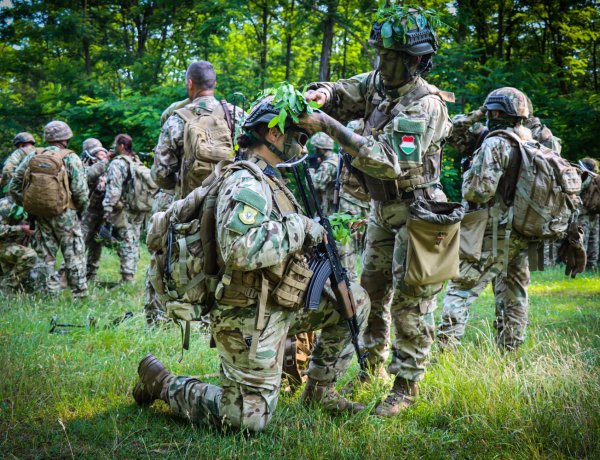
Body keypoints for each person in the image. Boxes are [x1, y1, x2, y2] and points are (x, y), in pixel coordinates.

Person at [132, 96, 370, 433]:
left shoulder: (272, 179)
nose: (303, 144)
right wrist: (300, 228)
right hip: (245, 314)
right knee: (247, 418)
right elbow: (239, 250)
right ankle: (162, 382)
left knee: (354, 302)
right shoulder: (246, 181)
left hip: (278, 299)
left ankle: (319, 391)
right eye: (298, 135)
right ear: (273, 134)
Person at [300, 6, 453, 416]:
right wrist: (323, 94)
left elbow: (389, 160)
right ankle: (372, 368)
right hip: (382, 208)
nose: (381, 64)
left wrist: (329, 127)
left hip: (420, 210)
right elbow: (344, 91)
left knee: (412, 300)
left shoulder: (426, 106)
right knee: (372, 289)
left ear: (416, 60)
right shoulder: (379, 85)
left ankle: (406, 386)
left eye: (391, 57)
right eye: (380, 55)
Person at [438, 87, 534, 351]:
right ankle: (510, 351)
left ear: (495, 112)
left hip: (491, 229)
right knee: (514, 293)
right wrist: (480, 113)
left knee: (461, 287)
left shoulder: (495, 143)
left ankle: (445, 351)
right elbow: (454, 131)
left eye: (489, 110)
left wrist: (468, 175)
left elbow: (477, 191)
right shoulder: (529, 141)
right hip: (521, 229)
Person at [10, 121, 89, 297]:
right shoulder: (70, 157)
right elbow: (80, 190)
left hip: (39, 214)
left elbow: (14, 185)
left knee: (44, 255)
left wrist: (28, 204)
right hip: (66, 213)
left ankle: (48, 294)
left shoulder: (32, 156)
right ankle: (80, 294)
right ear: (66, 138)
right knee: (74, 253)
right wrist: (80, 209)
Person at [152, 60, 243, 199]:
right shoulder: (237, 114)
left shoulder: (175, 120)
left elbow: (160, 173)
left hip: (190, 207)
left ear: (190, 83)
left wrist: (178, 185)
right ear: (214, 84)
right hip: (230, 201)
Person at [102, 134, 144, 283]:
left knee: (126, 240)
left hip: (124, 208)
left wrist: (107, 209)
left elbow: (114, 190)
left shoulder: (118, 163)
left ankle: (128, 277)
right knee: (134, 239)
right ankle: (131, 271)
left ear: (121, 146)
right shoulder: (136, 160)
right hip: (138, 207)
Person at [80, 138, 110, 282]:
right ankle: (67, 276)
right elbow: (86, 177)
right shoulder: (84, 165)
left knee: (96, 243)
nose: (101, 154)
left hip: (102, 211)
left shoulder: (109, 164)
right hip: (88, 211)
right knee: (81, 243)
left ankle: (90, 276)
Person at [0, 196, 36, 293]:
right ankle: (6, 288)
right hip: (3, 244)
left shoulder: (33, 206)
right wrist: (21, 229)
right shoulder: (6, 204)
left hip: (11, 246)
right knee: (30, 255)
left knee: (29, 286)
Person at [311, 132, 338, 216]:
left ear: (321, 149)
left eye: (315, 148)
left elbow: (313, 185)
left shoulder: (328, 165)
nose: (314, 151)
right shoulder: (336, 158)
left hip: (330, 209)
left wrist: (311, 169)